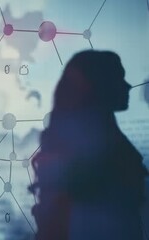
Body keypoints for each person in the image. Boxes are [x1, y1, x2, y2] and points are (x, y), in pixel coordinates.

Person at [30, 50, 147, 240]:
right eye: (119, 78)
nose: (128, 86)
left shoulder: (97, 143)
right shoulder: (95, 152)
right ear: (100, 86)